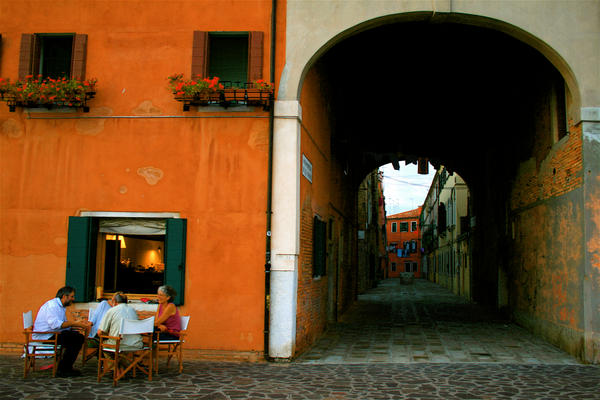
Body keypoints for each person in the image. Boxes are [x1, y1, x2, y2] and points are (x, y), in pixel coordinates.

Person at [33, 286, 92, 377]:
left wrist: (75, 327)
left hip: (53, 333)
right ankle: (64, 369)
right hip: (46, 336)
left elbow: (64, 324)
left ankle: (65, 367)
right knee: (76, 339)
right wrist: (76, 323)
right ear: (65, 296)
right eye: (72, 296)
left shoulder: (60, 307)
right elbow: (55, 324)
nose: (73, 299)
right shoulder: (52, 306)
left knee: (77, 336)